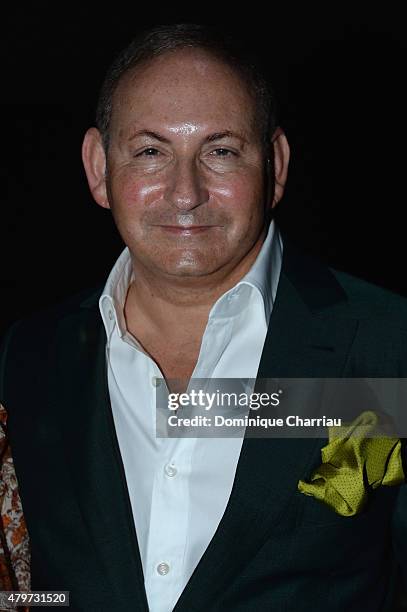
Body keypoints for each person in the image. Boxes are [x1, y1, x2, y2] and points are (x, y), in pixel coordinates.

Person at [1, 22, 407, 612]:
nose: (185, 192)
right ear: (98, 167)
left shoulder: (386, 346)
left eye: (219, 151)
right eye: (149, 152)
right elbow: (35, 588)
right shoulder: (31, 355)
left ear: (276, 164)